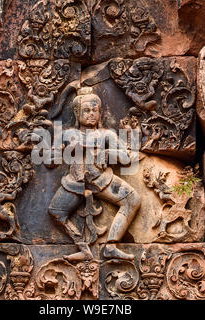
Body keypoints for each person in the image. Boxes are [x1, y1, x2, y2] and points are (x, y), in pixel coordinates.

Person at [48, 87, 141, 262]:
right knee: (55, 212)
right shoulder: (68, 134)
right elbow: (50, 161)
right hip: (74, 183)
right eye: (86, 110)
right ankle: (83, 249)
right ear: (77, 113)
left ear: (100, 112)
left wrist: (107, 154)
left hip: (102, 180)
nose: (91, 114)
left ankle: (111, 246)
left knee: (133, 200)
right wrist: (62, 149)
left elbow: (127, 158)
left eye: (95, 110)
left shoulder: (106, 135)